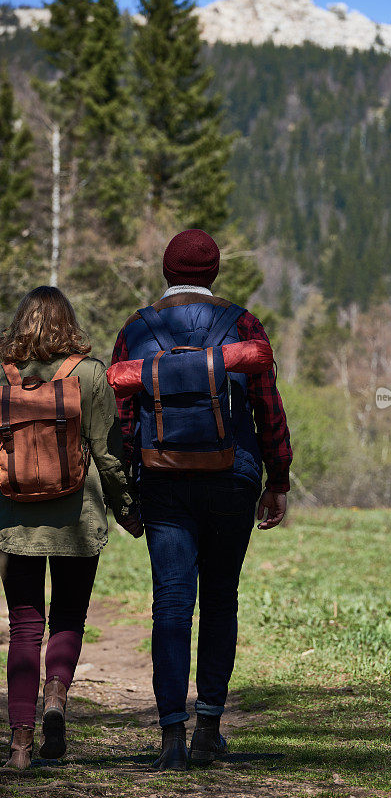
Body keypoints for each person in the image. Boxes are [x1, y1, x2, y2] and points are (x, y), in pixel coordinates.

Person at [111, 229, 292, 770]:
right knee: (220, 598)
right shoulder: (243, 325)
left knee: (170, 602)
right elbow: (267, 407)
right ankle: (209, 727)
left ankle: (171, 737)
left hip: (163, 481)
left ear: (167, 272)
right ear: (213, 274)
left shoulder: (138, 330)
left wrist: (127, 492)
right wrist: (277, 478)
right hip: (231, 477)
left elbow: (121, 422)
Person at [0, 287, 141, 770]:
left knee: (23, 627)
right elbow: (108, 454)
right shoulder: (89, 374)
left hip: (14, 521)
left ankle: (19, 743)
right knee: (67, 619)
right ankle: (56, 701)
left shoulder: (2, 374)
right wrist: (127, 510)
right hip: (77, 522)